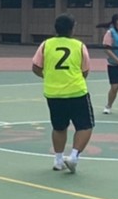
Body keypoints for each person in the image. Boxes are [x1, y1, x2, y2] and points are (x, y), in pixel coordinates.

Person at [33, 14, 95, 173]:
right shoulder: (79, 46)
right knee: (85, 126)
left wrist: (50, 77)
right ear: (72, 29)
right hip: (76, 92)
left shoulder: (46, 45)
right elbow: (85, 71)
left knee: (59, 127)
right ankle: (73, 156)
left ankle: (58, 160)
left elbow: (36, 67)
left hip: (53, 93)